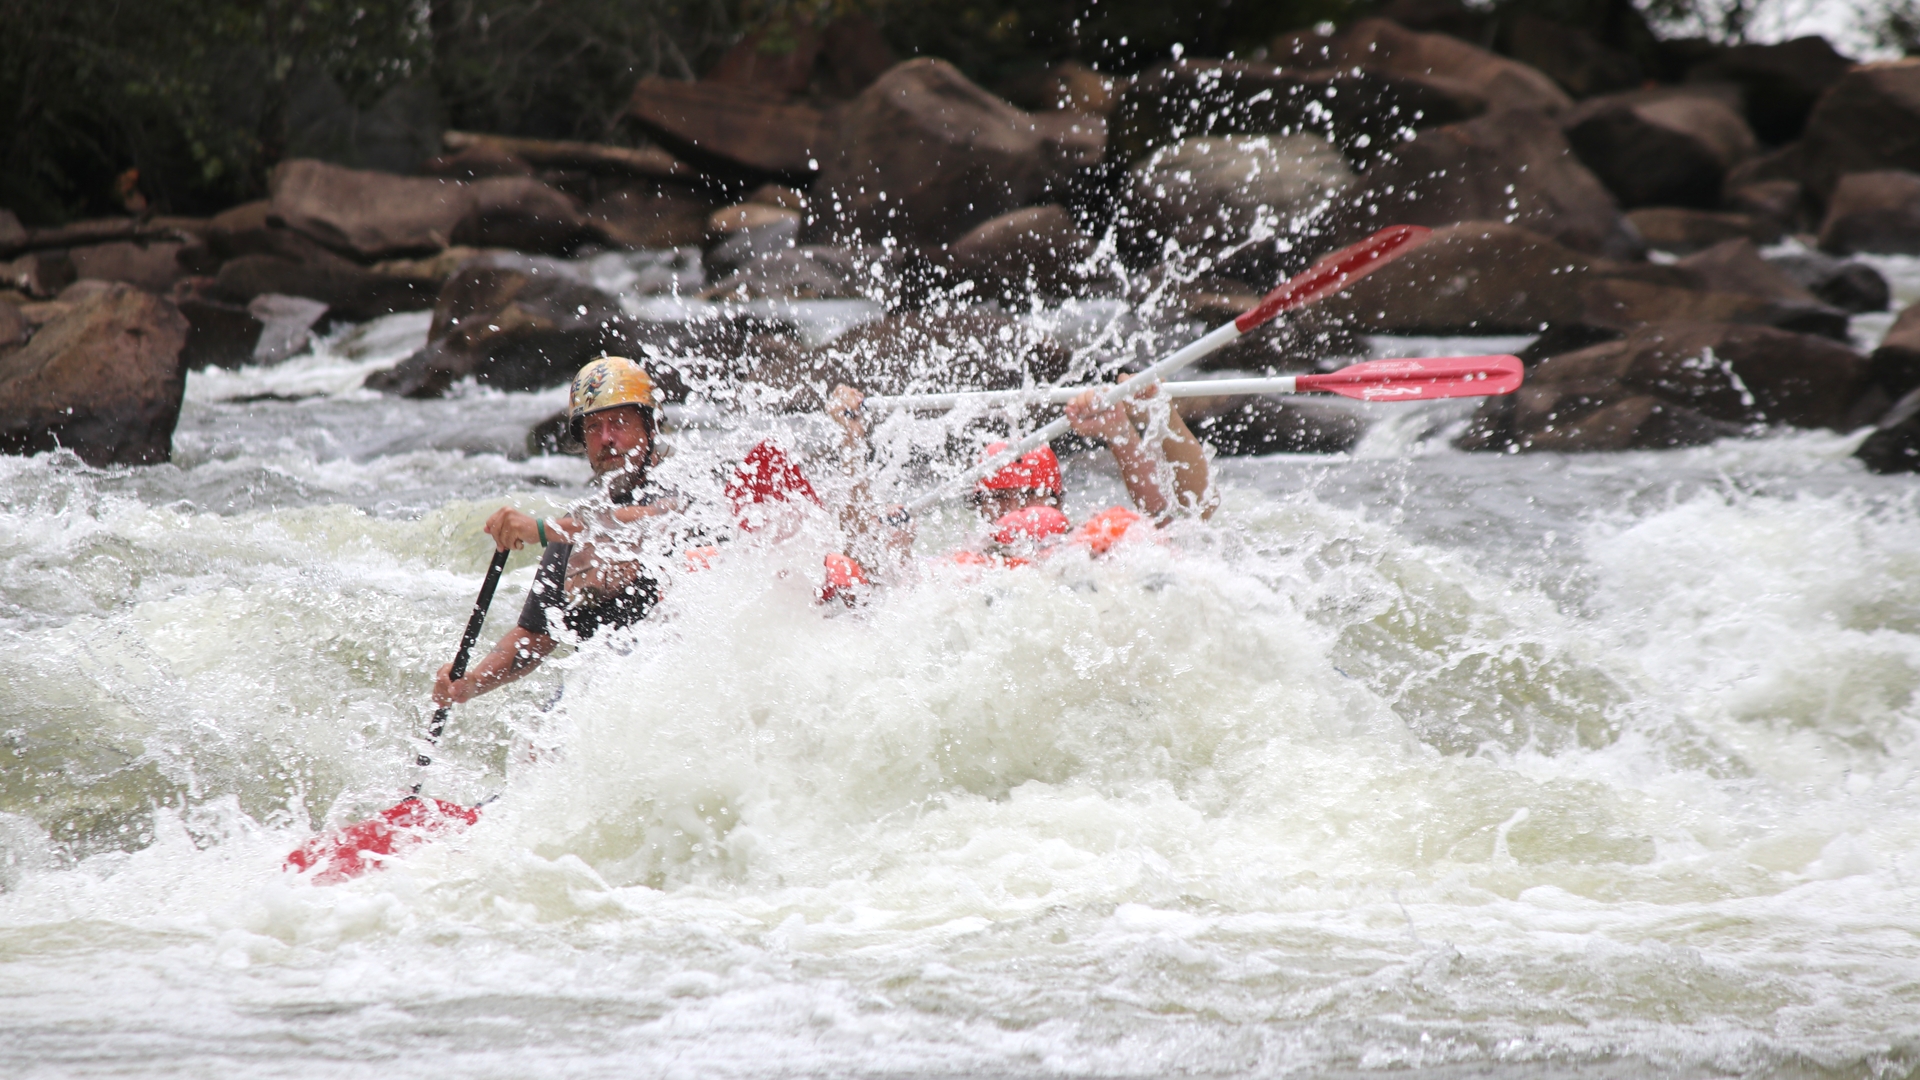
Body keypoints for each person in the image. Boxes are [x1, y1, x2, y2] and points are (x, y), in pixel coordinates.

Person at [433, 355, 691, 707]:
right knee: (544, 733)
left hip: (678, 672)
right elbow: (534, 637)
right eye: (593, 429)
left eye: (618, 423)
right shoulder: (575, 528)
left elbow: (652, 517)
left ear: (650, 427)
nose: (606, 439)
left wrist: (540, 528)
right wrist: (473, 682)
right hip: (606, 683)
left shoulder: (686, 487)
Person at [822, 376, 1215, 573]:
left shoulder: (1094, 547)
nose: (1017, 509)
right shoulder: (969, 563)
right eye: (1001, 498)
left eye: (1030, 495)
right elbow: (864, 561)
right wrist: (850, 442)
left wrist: (1123, 431)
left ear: (1057, 501)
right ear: (980, 509)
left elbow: (1188, 522)